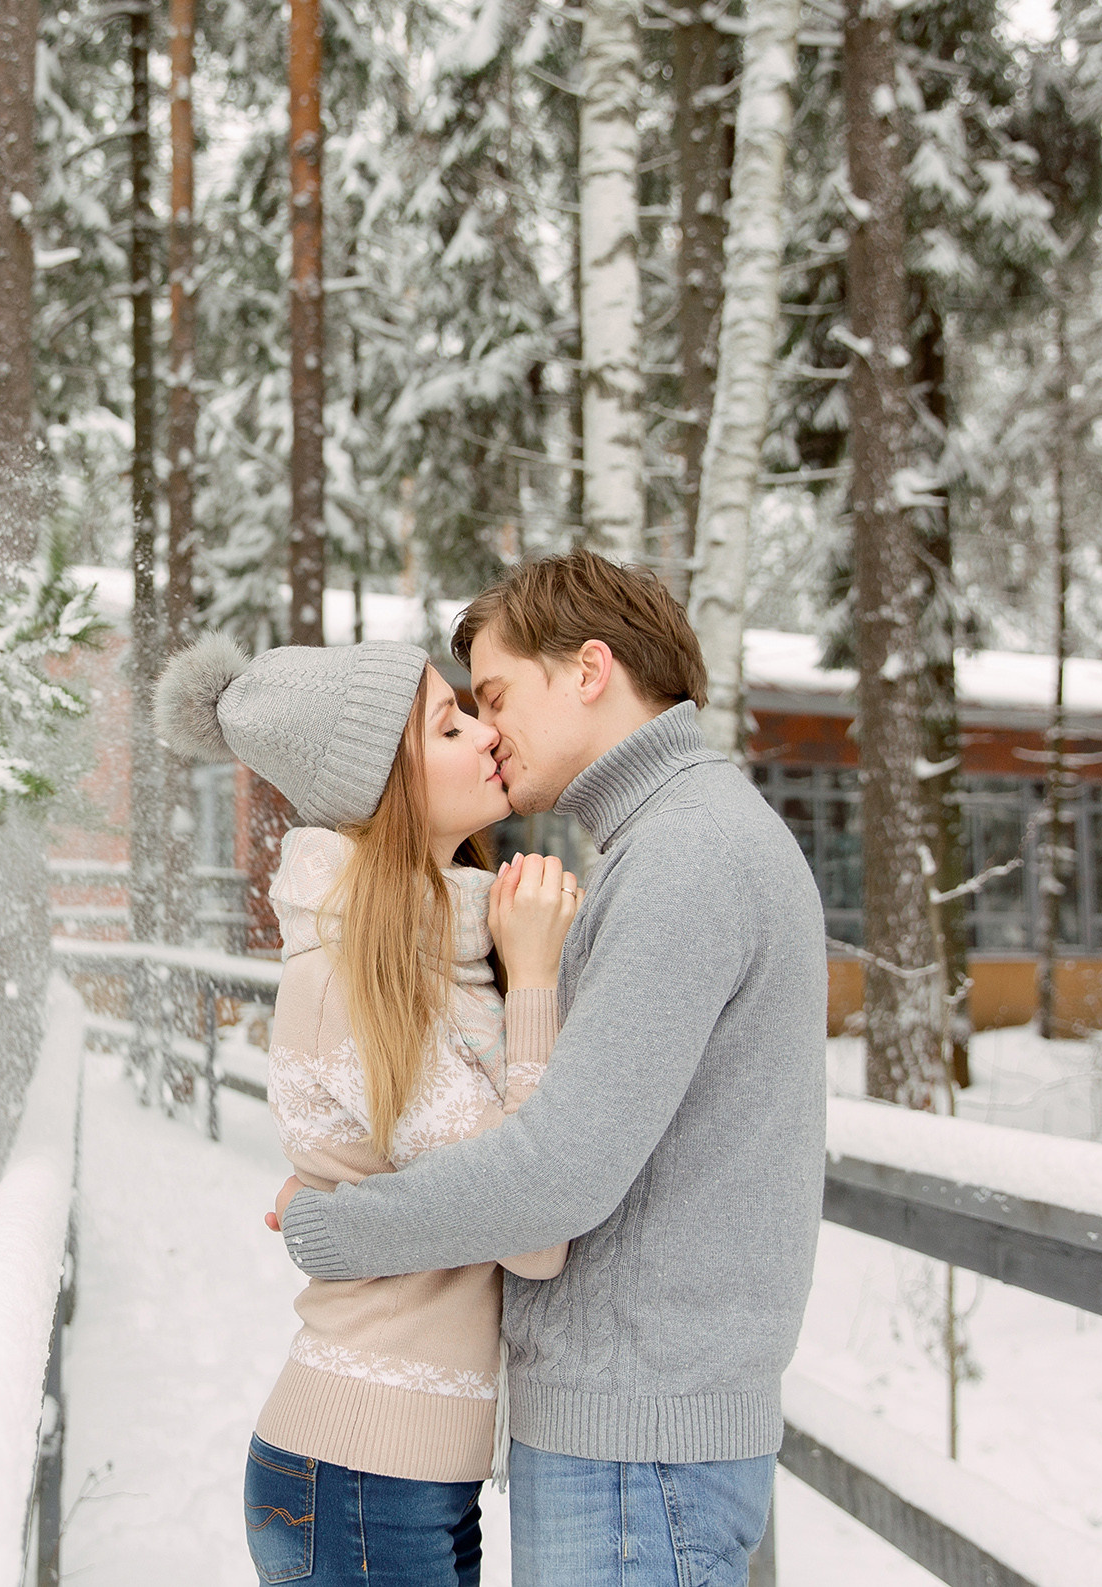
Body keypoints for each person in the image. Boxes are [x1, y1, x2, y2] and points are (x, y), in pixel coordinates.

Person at [263, 552, 829, 1587]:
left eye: (496, 695)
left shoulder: (687, 857)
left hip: (636, 1439)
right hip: (631, 1429)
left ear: (590, 670)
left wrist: (334, 1223)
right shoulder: (674, 843)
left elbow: (554, 1175)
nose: (489, 731)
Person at [155, 633, 585, 1587]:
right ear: (384, 785)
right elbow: (534, 1228)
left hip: (404, 1475)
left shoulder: (441, 947)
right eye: (449, 722)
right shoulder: (356, 980)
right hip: (359, 1475)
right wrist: (539, 982)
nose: (486, 732)